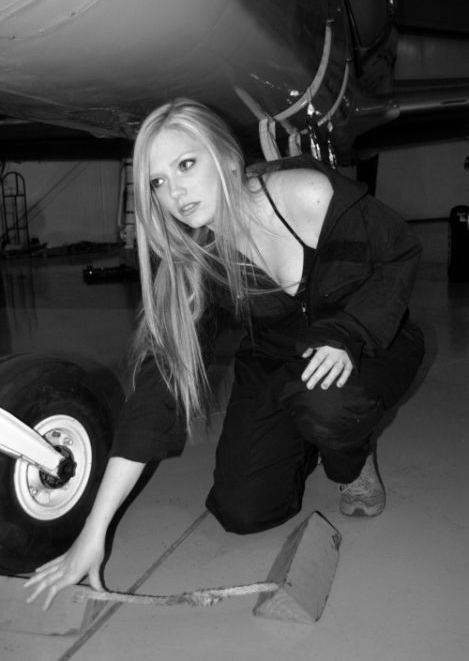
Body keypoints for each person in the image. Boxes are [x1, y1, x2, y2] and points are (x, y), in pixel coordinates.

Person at [25, 98, 424, 609]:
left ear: (227, 159)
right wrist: (94, 530)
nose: (175, 192)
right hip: (276, 362)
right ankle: (307, 434)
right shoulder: (197, 261)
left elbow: (397, 254)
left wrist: (350, 331)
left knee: (329, 407)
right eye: (157, 181)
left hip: (369, 343)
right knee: (243, 513)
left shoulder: (305, 194)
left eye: (186, 164)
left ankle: (351, 460)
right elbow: (159, 389)